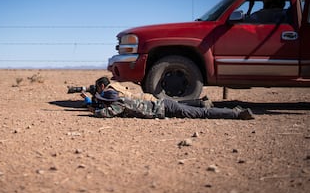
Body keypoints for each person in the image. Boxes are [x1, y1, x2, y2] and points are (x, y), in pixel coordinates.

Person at [84, 88, 254, 120]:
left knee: (202, 115)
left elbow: (105, 114)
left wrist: (92, 110)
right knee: (198, 110)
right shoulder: (121, 101)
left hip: (166, 109)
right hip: (165, 104)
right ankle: (205, 104)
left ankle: (236, 114)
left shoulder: (118, 105)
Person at [81, 76, 213, 108]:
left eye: (98, 88)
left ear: (102, 86)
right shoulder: (114, 85)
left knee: (174, 105)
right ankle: (201, 102)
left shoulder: (109, 91)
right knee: (173, 103)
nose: (97, 90)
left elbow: (104, 99)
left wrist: (89, 100)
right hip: (144, 97)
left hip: (145, 101)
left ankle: (201, 104)